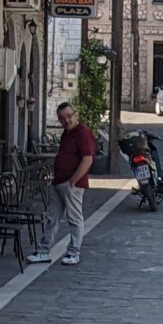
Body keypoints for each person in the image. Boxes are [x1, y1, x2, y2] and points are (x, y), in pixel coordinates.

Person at [47, 100, 95, 266]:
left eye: (69, 116)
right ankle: (44, 250)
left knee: (74, 219)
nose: (66, 120)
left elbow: (87, 159)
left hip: (71, 184)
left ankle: (74, 252)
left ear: (75, 115)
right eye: (62, 118)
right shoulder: (66, 134)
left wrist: (73, 181)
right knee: (52, 217)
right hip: (58, 182)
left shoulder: (82, 133)